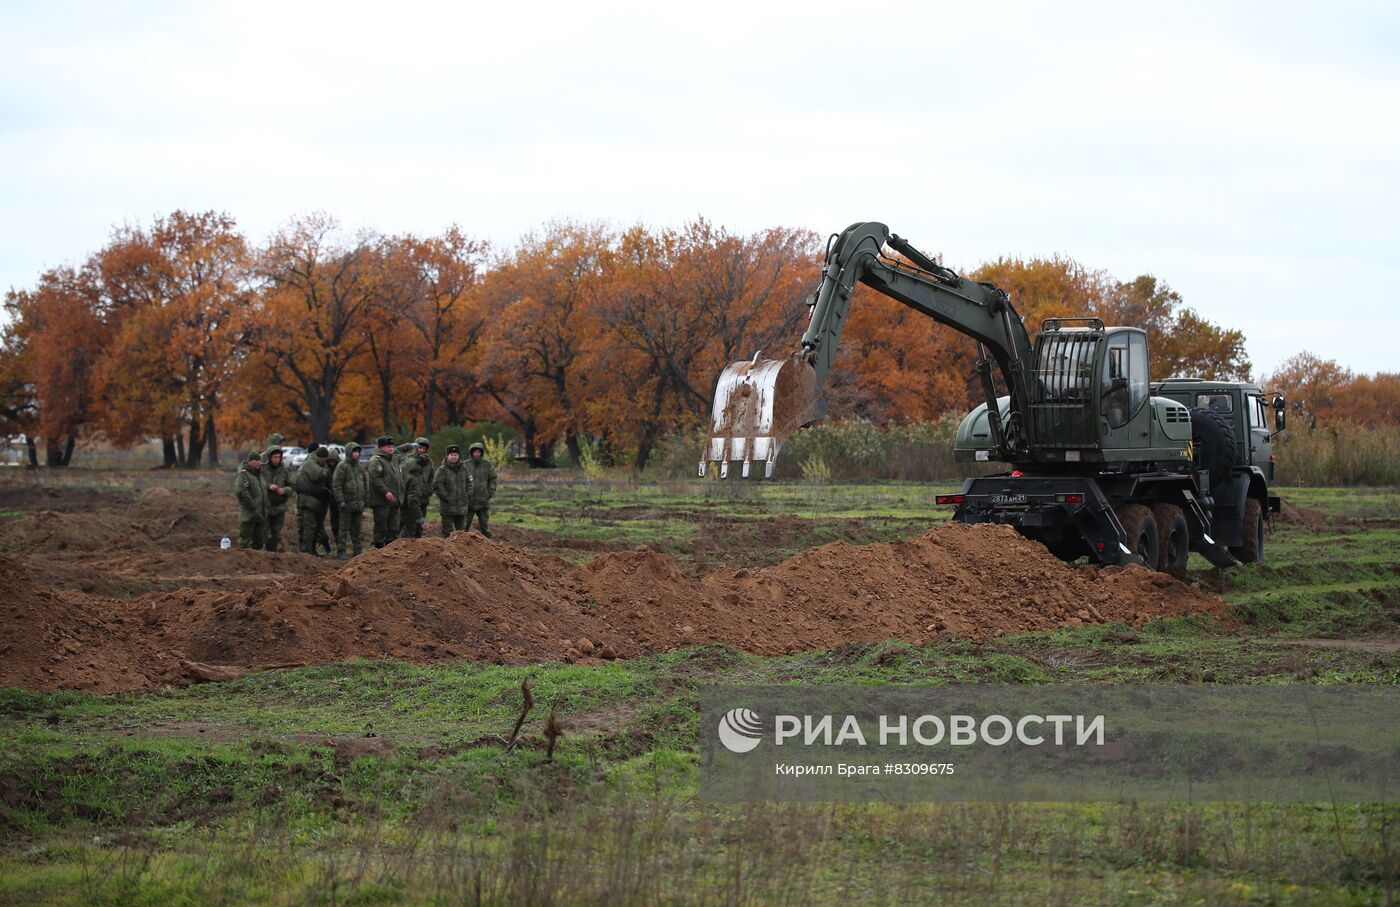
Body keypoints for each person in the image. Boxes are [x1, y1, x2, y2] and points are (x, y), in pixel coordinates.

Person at [367, 435, 404, 547]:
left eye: (392, 446)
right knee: (381, 526)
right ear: (381, 447)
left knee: (394, 527)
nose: (391, 449)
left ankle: (391, 549)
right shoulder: (376, 461)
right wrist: (385, 492)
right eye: (388, 446)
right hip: (381, 501)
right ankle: (379, 549)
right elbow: (375, 479)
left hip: (394, 499)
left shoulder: (393, 459)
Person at [332, 444, 369, 558]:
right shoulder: (342, 467)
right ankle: (341, 550)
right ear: (349, 452)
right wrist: (341, 501)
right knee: (343, 529)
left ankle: (357, 550)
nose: (357, 454)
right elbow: (337, 485)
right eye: (354, 452)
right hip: (346, 504)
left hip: (358, 504)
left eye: (358, 452)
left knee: (357, 530)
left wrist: (365, 499)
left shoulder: (360, 467)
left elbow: (364, 483)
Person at [294, 447, 331, 555]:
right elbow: (318, 476)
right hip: (307, 500)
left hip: (313, 501)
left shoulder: (313, 463)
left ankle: (311, 550)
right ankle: (306, 551)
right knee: (308, 527)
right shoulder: (311, 463)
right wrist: (326, 469)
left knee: (314, 526)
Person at [233, 449, 270, 550]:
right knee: (244, 540)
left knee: (258, 541)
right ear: (251, 461)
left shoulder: (260, 476)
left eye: (260, 461)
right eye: (256, 461)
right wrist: (252, 505)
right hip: (249, 514)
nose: (259, 463)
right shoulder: (244, 475)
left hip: (260, 514)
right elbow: (241, 492)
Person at [399, 437, 434, 539]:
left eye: (424, 449)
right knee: (409, 527)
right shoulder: (408, 461)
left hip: (423, 499)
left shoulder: (428, 462)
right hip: (409, 501)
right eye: (420, 448)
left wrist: (429, 490)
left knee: (419, 528)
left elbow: (431, 477)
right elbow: (405, 482)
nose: (422, 450)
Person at [432, 444, 469, 535]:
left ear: (458, 456)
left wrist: (467, 494)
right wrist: (446, 497)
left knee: (462, 533)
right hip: (448, 508)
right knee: (447, 532)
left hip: (461, 508)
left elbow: (469, 482)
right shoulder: (442, 470)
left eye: (455, 455)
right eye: (451, 455)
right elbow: (437, 485)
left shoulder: (463, 469)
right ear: (447, 456)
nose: (453, 457)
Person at [262, 445, 293, 552]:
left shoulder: (284, 470)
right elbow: (258, 483)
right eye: (275, 457)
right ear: (269, 457)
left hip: (279, 506)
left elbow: (292, 486)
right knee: (263, 531)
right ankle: (262, 551)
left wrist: (284, 490)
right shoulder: (263, 469)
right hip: (265, 505)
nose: (277, 459)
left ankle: (273, 551)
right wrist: (269, 486)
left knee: (276, 532)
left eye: (279, 457)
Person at [464, 441, 497, 538]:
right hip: (468, 502)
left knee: (484, 527)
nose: (477, 454)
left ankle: (489, 547)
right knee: (464, 527)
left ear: (481, 453)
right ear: (471, 453)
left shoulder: (487, 465)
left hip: (483, 501)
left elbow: (493, 480)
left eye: (479, 452)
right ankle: (459, 546)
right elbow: (460, 480)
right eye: (475, 452)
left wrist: (489, 493)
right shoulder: (465, 465)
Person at [320, 448, 341, 555]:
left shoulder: (341, 469)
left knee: (343, 526)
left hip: (341, 502)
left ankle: (342, 546)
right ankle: (338, 545)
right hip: (332, 503)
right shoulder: (327, 471)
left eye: (333, 461)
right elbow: (325, 484)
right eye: (330, 461)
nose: (331, 463)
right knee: (335, 525)